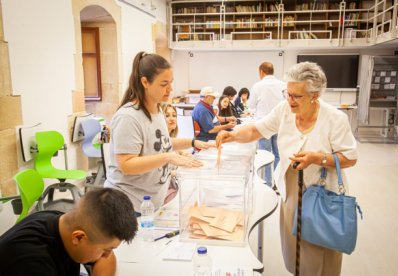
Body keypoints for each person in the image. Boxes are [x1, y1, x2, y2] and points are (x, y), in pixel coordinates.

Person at [216, 62, 357, 276]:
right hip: (291, 190)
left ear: (314, 95)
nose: (290, 100)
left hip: (322, 195)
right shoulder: (284, 110)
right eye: (287, 93)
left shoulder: (335, 118)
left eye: (296, 96)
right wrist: (233, 135)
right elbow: (257, 129)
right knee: (295, 250)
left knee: (319, 253)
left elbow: (350, 157)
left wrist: (318, 158)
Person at [104, 52, 213, 214]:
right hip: (128, 205)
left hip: (150, 204)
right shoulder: (128, 117)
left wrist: (193, 142)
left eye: (171, 83)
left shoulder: (157, 109)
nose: (170, 89)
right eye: (163, 84)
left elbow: (161, 142)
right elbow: (126, 165)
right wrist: (168, 157)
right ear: (145, 82)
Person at [0, 188, 138, 276]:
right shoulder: (31, 264)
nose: (107, 254)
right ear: (78, 238)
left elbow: (106, 259)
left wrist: (104, 253)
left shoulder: (66, 222)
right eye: (105, 250)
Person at [249, 62, 287, 185]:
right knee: (278, 154)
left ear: (261, 72)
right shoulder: (283, 85)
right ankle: (277, 182)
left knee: (265, 154)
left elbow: (251, 106)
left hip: (263, 125)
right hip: (279, 124)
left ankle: (267, 183)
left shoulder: (257, 86)